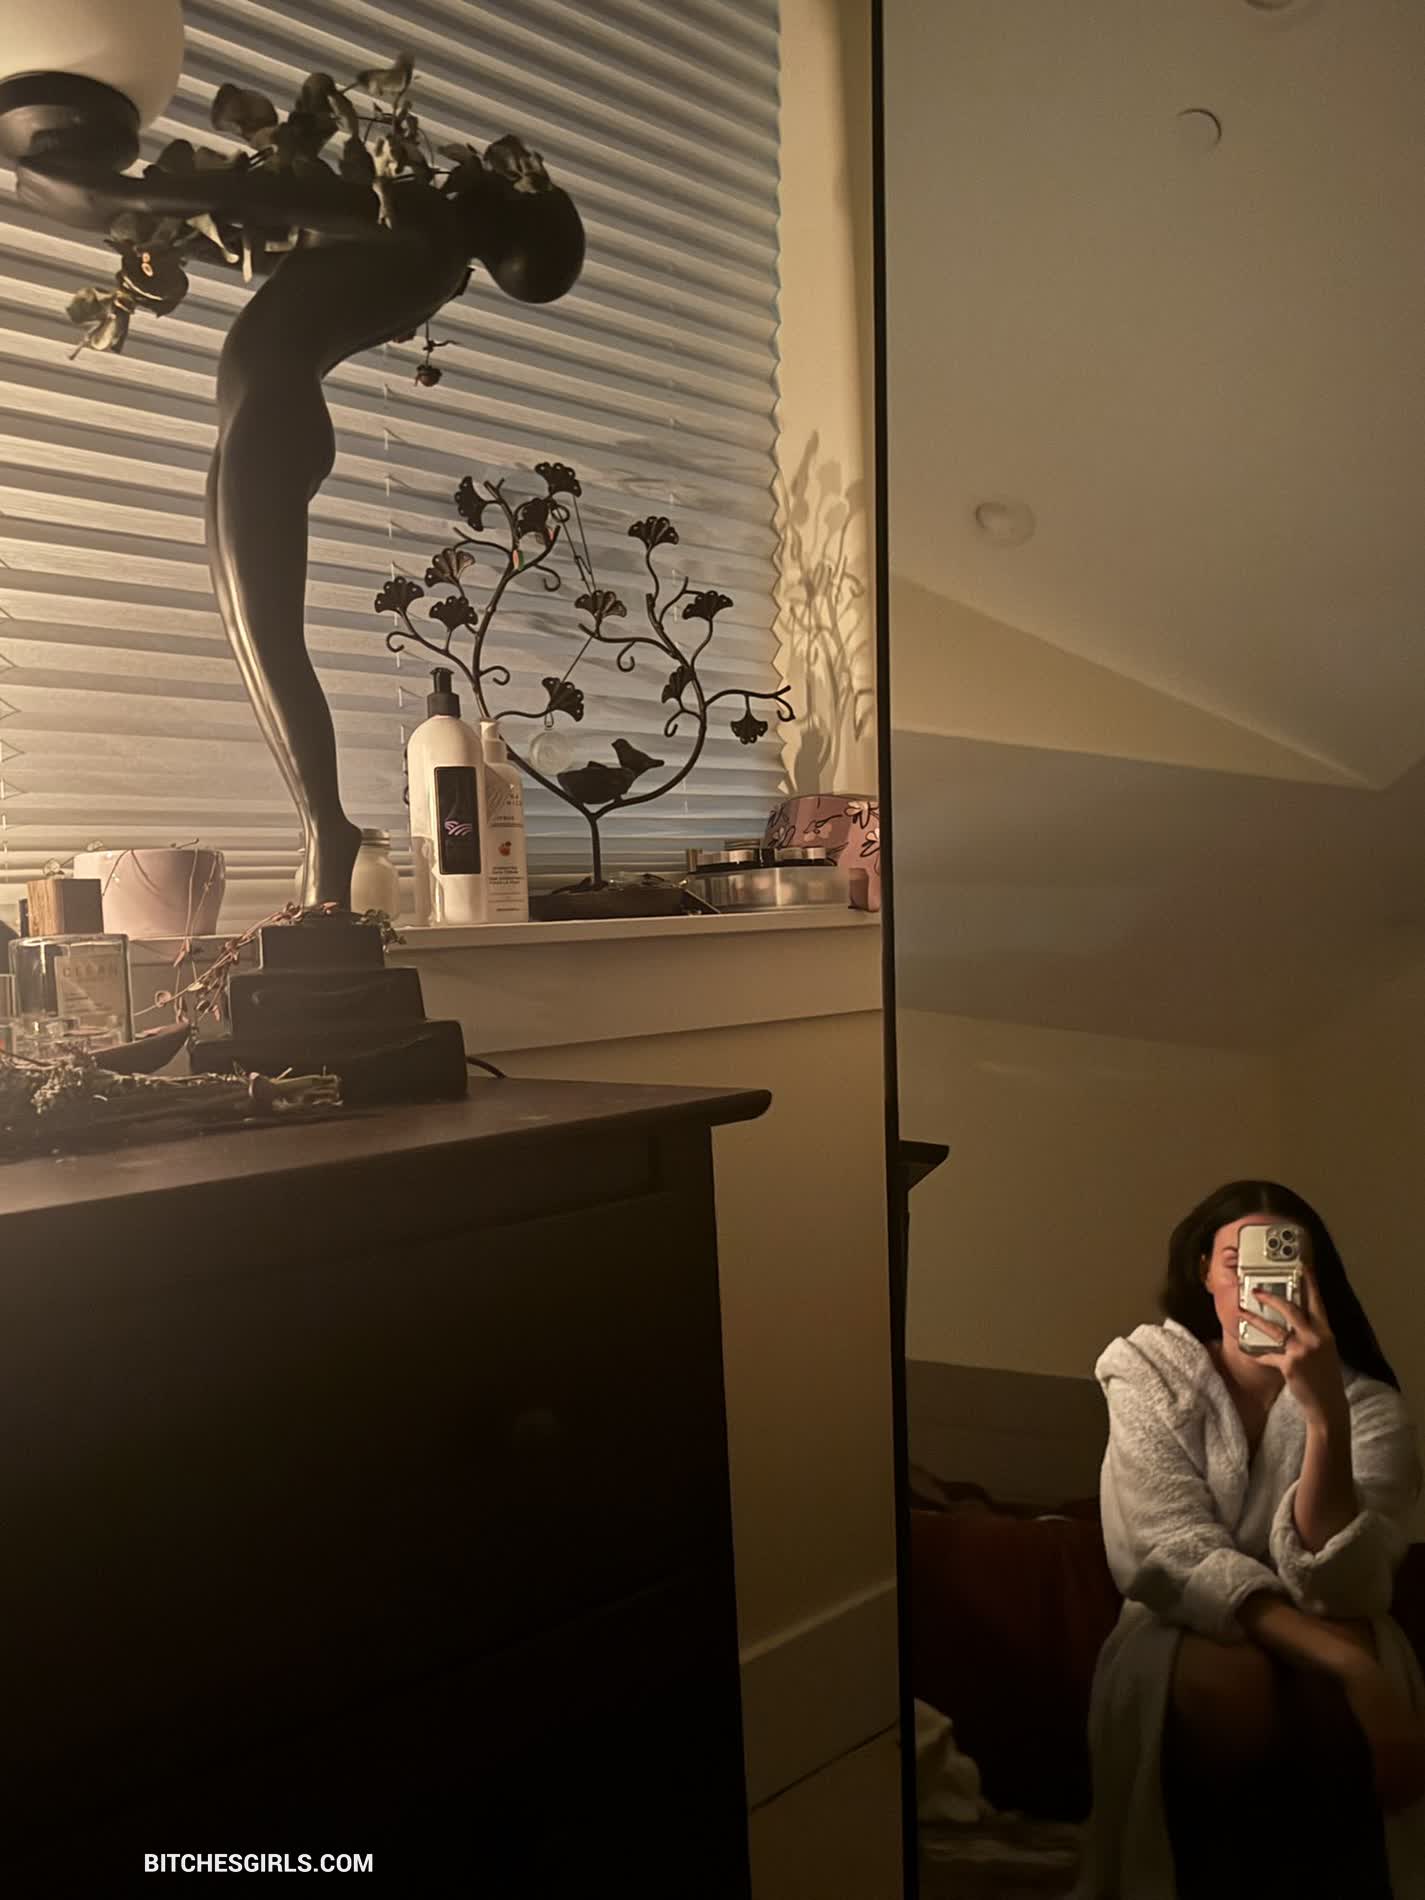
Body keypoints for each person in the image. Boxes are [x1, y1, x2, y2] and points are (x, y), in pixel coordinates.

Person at [18, 138, 583, 908]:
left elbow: (255, 203)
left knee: (268, 643)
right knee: (256, 640)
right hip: (270, 416)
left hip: (276, 417)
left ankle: (327, 832)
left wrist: (97, 192)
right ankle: (323, 833)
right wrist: (148, 225)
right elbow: (260, 229)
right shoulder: (433, 261)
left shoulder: (423, 227)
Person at [1076, 1180, 1425, 1899]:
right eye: (1237, 1263)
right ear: (1203, 1270)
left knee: (1321, 1709)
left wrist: (1324, 1418)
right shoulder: (1147, 1372)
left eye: (1281, 1263)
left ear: (1312, 1281)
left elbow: (1346, 1583)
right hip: (1180, 1623)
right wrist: (1353, 1668)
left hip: (1337, 1615)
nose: (1255, 1285)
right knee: (1228, 1686)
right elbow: (1169, 1552)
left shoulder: (1368, 1405)